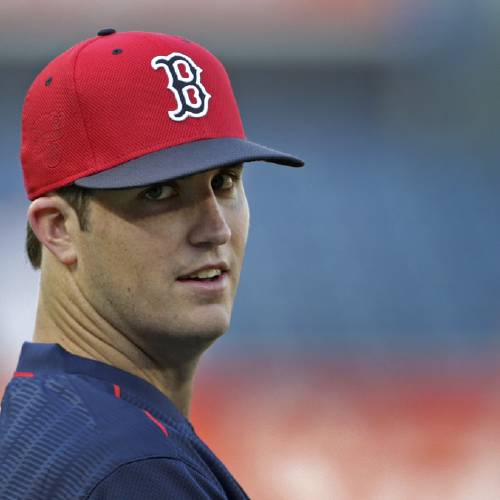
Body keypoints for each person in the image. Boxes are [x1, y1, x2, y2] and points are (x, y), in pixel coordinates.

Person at [0, 28, 304, 499]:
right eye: (159, 192)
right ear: (58, 228)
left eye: (224, 181)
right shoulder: (131, 468)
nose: (215, 229)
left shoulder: (50, 418)